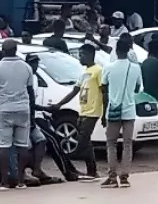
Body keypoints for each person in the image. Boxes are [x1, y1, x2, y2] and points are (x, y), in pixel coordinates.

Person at [48, 43, 104, 180]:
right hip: (83, 110)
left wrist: (105, 112)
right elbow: (75, 91)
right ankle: (92, 170)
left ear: (90, 55)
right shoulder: (84, 73)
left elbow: (104, 91)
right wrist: (59, 104)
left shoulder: (98, 71)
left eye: (82, 55)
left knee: (82, 141)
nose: (80, 58)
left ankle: (89, 170)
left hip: (93, 111)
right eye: (79, 55)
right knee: (87, 141)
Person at [0, 39, 34, 191]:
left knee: (4, 146)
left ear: (4, 51)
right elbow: (31, 92)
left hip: (3, 110)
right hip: (23, 109)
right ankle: (21, 181)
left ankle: (5, 182)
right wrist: (32, 113)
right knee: (22, 146)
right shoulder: (26, 67)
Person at [100, 37, 143, 188]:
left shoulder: (108, 67)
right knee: (127, 144)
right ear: (129, 50)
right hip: (129, 110)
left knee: (111, 144)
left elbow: (103, 87)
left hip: (113, 110)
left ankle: (112, 177)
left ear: (116, 51)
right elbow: (138, 88)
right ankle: (124, 177)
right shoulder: (136, 68)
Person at [24, 55, 60, 185]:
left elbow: (34, 100)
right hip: (24, 117)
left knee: (41, 140)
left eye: (36, 63)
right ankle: (23, 173)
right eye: (32, 63)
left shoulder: (34, 78)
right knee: (26, 145)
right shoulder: (24, 78)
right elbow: (28, 102)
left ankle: (37, 169)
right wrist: (44, 109)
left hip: (34, 116)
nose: (35, 66)